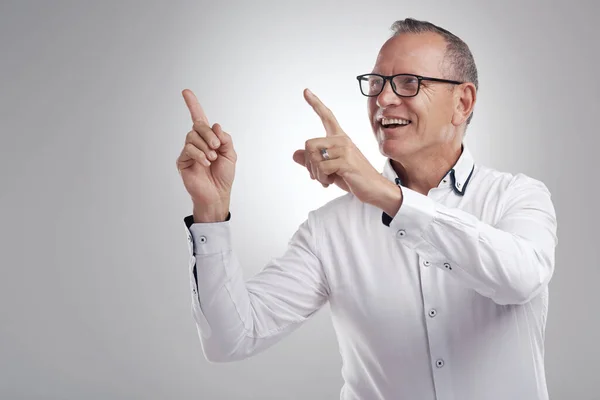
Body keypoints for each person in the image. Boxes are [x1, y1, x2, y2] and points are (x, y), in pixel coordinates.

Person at [175, 18, 558, 400]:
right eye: (376, 84)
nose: (384, 99)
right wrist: (210, 211)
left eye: (409, 82)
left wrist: (387, 197)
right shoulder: (329, 229)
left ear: (463, 102)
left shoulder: (518, 197)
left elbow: (519, 278)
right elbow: (232, 339)